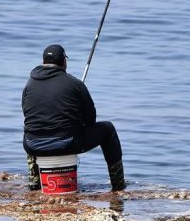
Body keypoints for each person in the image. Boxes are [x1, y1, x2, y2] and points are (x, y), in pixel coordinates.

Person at [21, 44, 126, 191]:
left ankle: (34, 185)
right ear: (64, 62)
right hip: (66, 144)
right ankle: (118, 185)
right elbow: (90, 119)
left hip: (33, 146)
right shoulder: (75, 84)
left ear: (43, 62)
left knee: (33, 131)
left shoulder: (29, 85)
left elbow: (28, 114)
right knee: (108, 129)